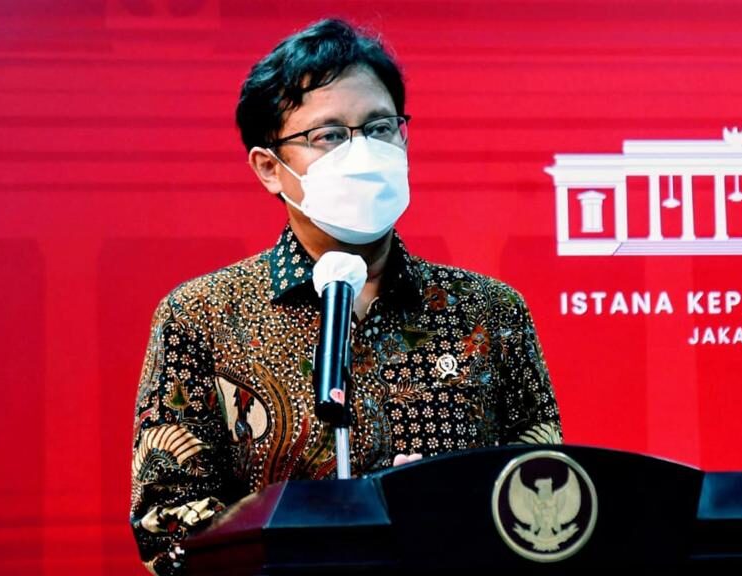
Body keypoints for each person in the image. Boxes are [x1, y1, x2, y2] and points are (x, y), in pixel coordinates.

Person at [129, 18, 561, 575]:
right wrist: (321, 532)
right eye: (329, 136)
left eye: (379, 128)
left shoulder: (489, 311)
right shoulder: (202, 316)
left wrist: (444, 508)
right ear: (269, 168)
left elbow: (543, 492)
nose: (362, 153)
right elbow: (165, 523)